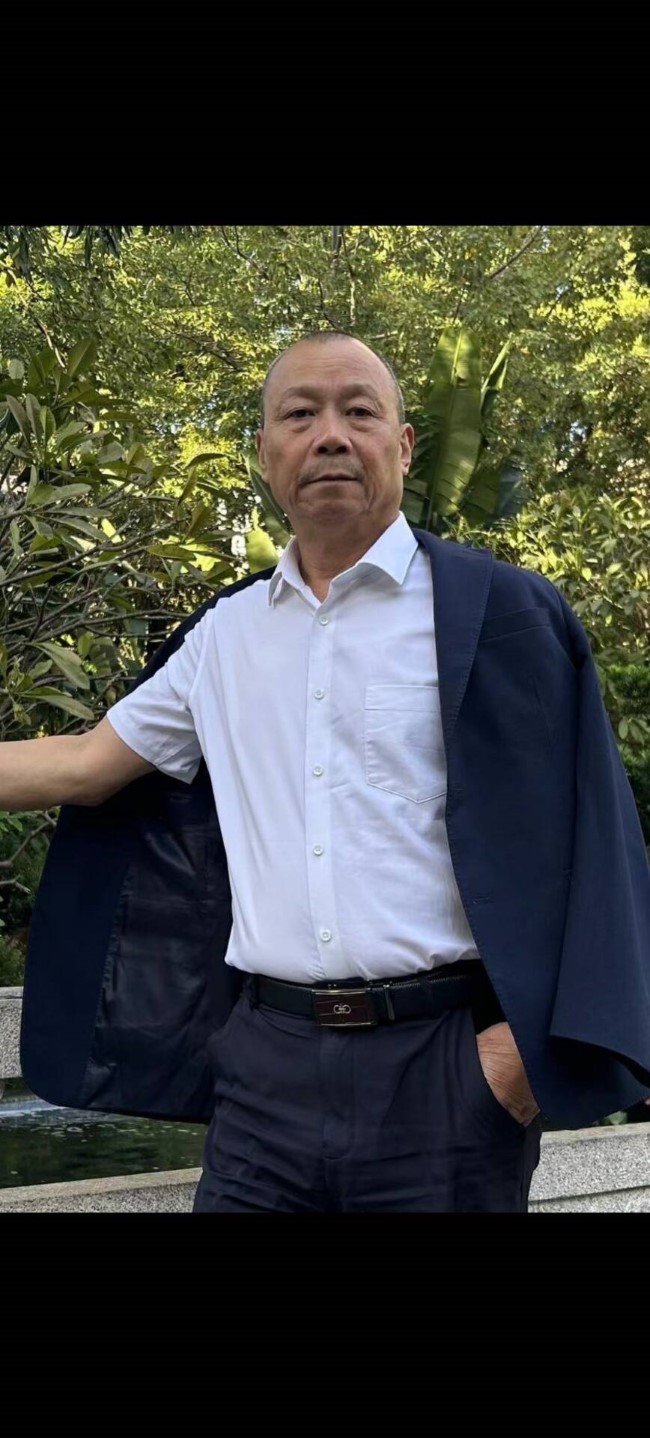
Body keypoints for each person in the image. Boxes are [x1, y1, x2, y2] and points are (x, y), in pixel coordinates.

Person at [8, 332, 650, 1213]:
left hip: (447, 1073)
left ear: (404, 445)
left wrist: (510, 1065)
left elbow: (598, 840)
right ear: (265, 453)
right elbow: (86, 764)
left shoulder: (499, 614)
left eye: (359, 412)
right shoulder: (225, 637)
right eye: (301, 414)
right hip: (263, 1073)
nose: (331, 436)